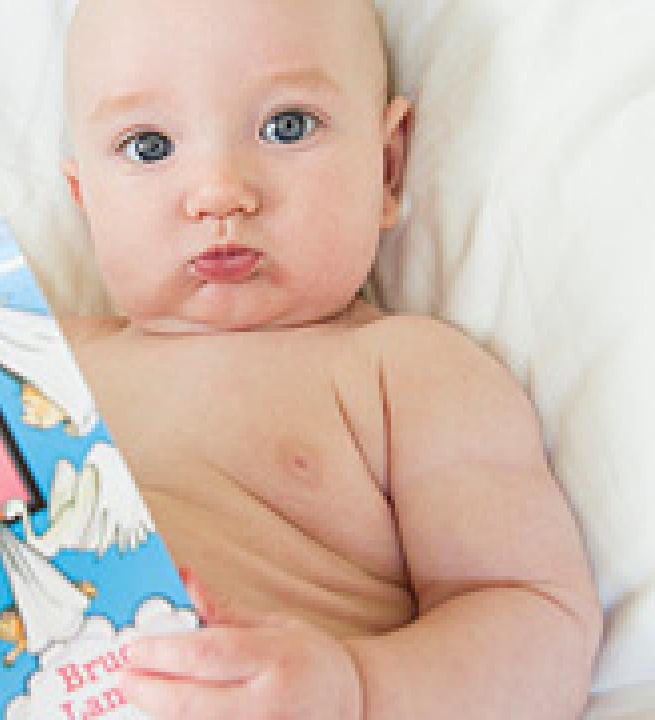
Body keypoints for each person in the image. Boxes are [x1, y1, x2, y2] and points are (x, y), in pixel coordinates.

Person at [54, 0, 602, 717]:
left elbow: (540, 622)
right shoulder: (29, 358)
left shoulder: (404, 374)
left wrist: (355, 688)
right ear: (84, 202)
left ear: (387, 166)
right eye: (149, 146)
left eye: (287, 127)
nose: (220, 192)